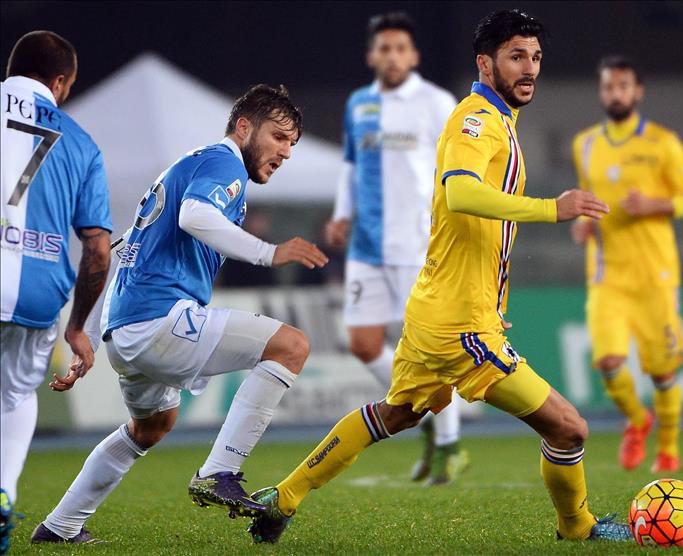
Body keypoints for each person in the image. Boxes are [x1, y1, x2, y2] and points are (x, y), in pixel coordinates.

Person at [248, 10, 632, 545]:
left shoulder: (497, 122)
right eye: (517, 56)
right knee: (569, 428)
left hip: (442, 309)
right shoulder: (476, 120)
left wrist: (489, 300)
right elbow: (461, 192)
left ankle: (283, 497)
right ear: (486, 63)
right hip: (459, 323)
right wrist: (552, 208)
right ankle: (579, 527)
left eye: (536, 58)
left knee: (397, 413)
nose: (530, 69)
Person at [31, 84, 329, 544]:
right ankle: (220, 470)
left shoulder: (185, 166)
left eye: (292, 143)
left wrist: (87, 334)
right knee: (292, 345)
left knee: (151, 426)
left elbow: (123, 248)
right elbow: (194, 216)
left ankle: (59, 526)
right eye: (278, 137)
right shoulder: (223, 161)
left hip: (126, 327)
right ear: (244, 127)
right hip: (160, 319)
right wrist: (268, 253)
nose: (286, 152)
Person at [324, 12, 466, 485]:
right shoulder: (359, 103)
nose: (392, 56)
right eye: (383, 48)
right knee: (363, 344)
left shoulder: (437, 102)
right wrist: (342, 213)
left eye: (400, 48)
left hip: (418, 246)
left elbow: (457, 171)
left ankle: (448, 445)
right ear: (372, 56)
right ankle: (420, 406)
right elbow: (350, 166)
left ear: (414, 55)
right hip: (366, 246)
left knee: (431, 349)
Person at [1, 30, 112, 551]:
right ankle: (2, 493)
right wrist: (78, 327)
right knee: (16, 395)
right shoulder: (82, 141)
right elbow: (96, 250)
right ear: (61, 82)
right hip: (38, 293)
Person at [570, 56, 683, 473]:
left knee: (663, 373)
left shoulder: (663, 143)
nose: (615, 93)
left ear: (638, 91)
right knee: (609, 362)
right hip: (607, 275)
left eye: (623, 86)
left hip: (655, 276)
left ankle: (667, 451)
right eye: (609, 87)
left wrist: (653, 204)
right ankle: (637, 420)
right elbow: (588, 200)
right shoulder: (586, 144)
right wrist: (582, 223)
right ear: (601, 92)